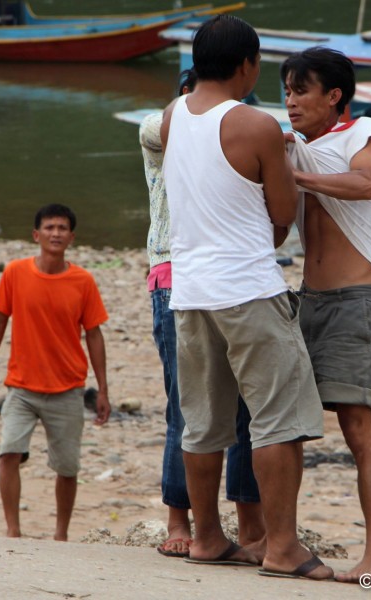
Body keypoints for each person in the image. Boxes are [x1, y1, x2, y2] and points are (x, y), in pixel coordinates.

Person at [161, 15, 332, 581]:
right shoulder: (254, 124)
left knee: (204, 423)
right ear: (247, 65)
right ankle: (282, 547)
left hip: (189, 293)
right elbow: (282, 217)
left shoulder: (171, 116)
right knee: (278, 422)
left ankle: (207, 537)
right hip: (248, 290)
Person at [140, 68, 265, 560]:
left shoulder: (243, 130)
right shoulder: (164, 128)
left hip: (234, 276)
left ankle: (250, 522)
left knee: (247, 408)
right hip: (176, 274)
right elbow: (155, 125)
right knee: (185, 405)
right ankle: (179, 517)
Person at [279, 47, 371, 583]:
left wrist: (294, 176)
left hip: (353, 302)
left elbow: (365, 184)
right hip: (306, 300)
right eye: (286, 90)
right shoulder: (294, 148)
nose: (291, 100)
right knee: (289, 429)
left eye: (302, 90)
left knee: (357, 431)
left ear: (334, 96)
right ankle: (283, 544)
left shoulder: (361, 132)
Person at [0, 204, 111, 541]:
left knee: (67, 467)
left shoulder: (83, 281)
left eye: (63, 228)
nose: (56, 234)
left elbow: (94, 334)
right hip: (21, 387)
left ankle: (60, 536)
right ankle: (13, 530)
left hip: (67, 389)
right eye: (49, 228)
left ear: (72, 238)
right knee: (9, 452)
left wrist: (103, 389)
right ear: (36, 235)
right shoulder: (15, 273)